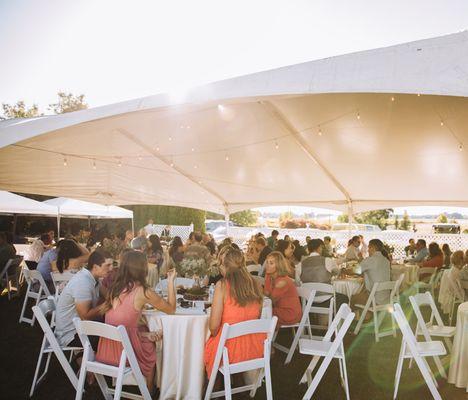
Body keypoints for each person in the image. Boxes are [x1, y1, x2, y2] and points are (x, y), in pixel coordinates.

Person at [97, 251, 176, 392]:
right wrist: (170, 281)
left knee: (147, 333)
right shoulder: (143, 291)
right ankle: (149, 391)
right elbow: (171, 309)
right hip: (123, 353)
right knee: (150, 347)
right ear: (142, 269)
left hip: (107, 349)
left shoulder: (115, 287)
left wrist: (146, 334)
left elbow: (123, 325)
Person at [204, 247, 264, 377]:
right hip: (254, 346)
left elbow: (214, 327)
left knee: (202, 341)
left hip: (228, 350)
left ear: (224, 267)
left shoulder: (222, 285)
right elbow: (257, 317)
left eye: (220, 264)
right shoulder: (257, 284)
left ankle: (213, 386)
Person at [55, 251, 113, 346]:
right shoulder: (83, 282)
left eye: (112, 264)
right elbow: (85, 316)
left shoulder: (93, 277)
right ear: (95, 267)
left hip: (80, 327)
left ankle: (84, 358)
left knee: (112, 324)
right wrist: (108, 304)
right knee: (113, 336)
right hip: (71, 334)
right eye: (108, 265)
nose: (111, 268)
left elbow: (109, 295)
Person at [299, 239, 348, 307]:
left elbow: (298, 282)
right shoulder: (327, 261)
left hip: (307, 299)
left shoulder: (301, 264)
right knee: (344, 298)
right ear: (319, 247)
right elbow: (337, 272)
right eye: (322, 247)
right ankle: (333, 317)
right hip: (326, 298)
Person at [351, 239, 391, 313]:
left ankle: (354, 322)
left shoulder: (371, 260)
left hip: (374, 299)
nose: (368, 250)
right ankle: (367, 317)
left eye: (369, 248)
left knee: (352, 298)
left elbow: (354, 270)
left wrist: (343, 270)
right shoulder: (386, 261)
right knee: (362, 292)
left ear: (373, 248)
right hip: (386, 298)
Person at [264, 251, 301, 326]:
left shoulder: (283, 281)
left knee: (260, 313)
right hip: (277, 309)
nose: (267, 266)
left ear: (278, 265)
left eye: (271, 263)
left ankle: (262, 336)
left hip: (289, 313)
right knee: (259, 312)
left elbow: (270, 300)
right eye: (267, 262)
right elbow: (266, 295)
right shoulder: (269, 276)